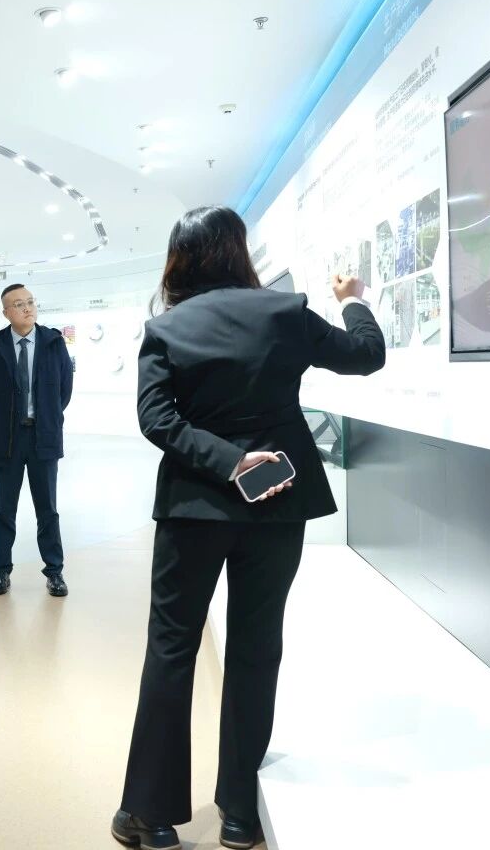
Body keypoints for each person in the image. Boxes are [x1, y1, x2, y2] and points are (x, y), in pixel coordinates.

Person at [111, 207, 385, 850]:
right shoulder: (286, 313)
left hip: (194, 506)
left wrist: (230, 462)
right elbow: (365, 356)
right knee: (257, 647)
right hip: (278, 504)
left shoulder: (165, 327)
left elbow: (157, 420)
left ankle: (150, 816)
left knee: (171, 649)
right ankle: (238, 814)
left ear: (180, 258)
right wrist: (352, 300)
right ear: (237, 250)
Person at [0, 283, 73, 597]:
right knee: (4, 509)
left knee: (48, 509)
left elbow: (64, 390)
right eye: (18, 304)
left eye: (30, 301)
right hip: (7, 438)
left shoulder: (53, 342)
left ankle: (54, 572)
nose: (27, 308)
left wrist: (45, 416)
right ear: (6, 312)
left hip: (43, 436)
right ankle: (1, 571)